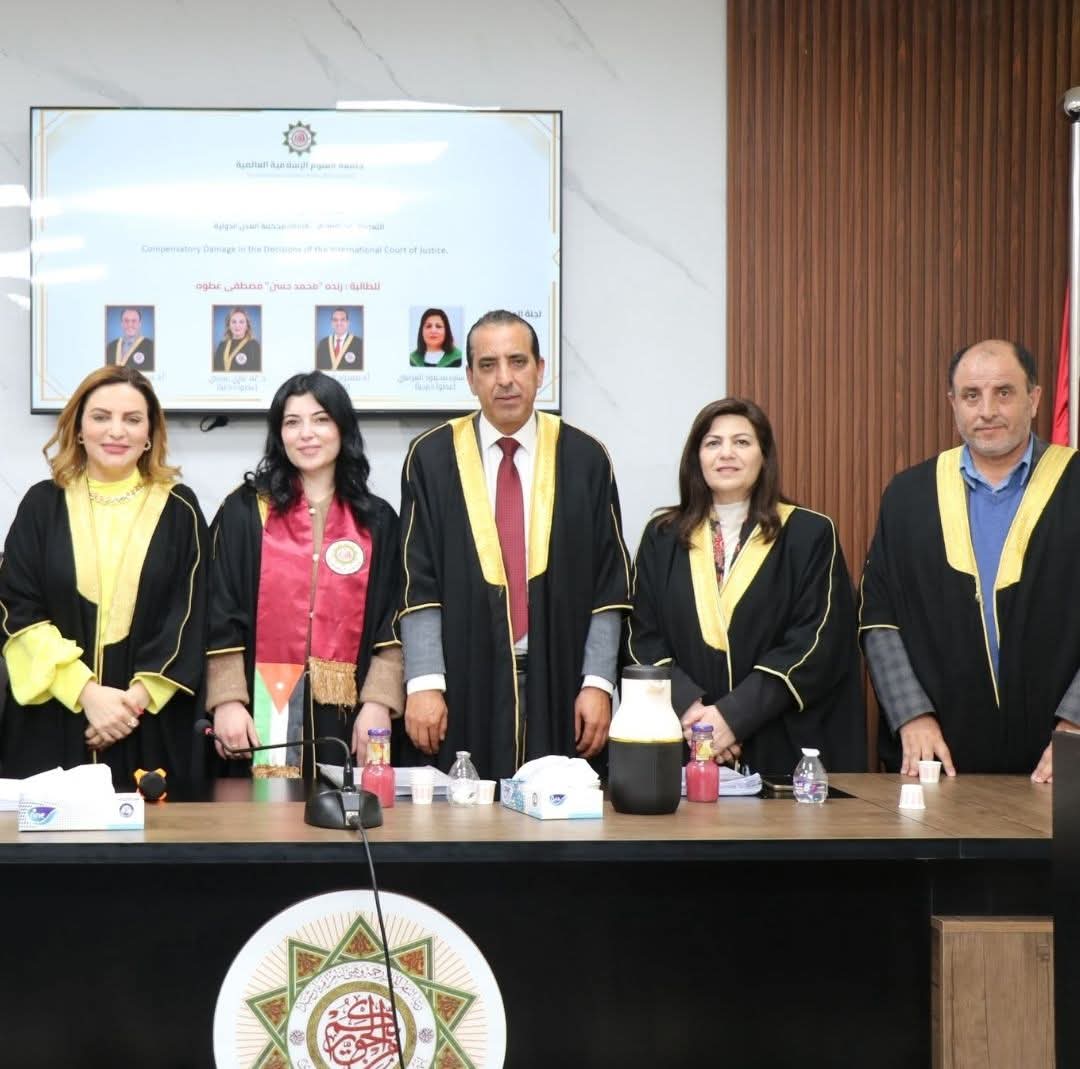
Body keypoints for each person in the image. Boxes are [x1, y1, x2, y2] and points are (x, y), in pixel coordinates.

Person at [398, 309, 632, 781]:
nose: (504, 378)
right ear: (469, 377)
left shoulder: (585, 457)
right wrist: (423, 682)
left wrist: (598, 683)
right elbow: (416, 580)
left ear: (540, 370)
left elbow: (609, 584)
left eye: (518, 362)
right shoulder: (432, 457)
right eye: (488, 365)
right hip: (462, 681)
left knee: (561, 816)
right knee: (464, 817)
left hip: (562, 680)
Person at [861, 339, 1080, 782]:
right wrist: (911, 715)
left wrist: (1075, 724)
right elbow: (878, 617)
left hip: (1062, 757)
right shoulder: (908, 495)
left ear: (1035, 398)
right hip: (939, 758)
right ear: (953, 404)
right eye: (971, 395)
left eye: (1004, 392)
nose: (987, 410)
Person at [626, 398, 865, 775]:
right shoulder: (663, 537)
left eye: (741, 442)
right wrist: (696, 716)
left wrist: (732, 718)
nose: (726, 453)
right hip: (683, 740)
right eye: (713, 443)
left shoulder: (809, 534)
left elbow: (816, 641)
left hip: (779, 743)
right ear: (697, 459)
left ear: (764, 456)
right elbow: (642, 637)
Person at [0, 366, 207, 790]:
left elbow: (191, 614)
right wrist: (86, 693)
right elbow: (16, 610)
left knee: (157, 833)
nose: (116, 431)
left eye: (132, 419)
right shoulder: (42, 505)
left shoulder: (179, 509)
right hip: (52, 720)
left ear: (150, 433)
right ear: (78, 428)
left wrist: (131, 706)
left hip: (149, 726)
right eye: (101, 417)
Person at [206, 371, 403, 778]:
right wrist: (226, 700)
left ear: (343, 428)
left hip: (350, 712)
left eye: (321, 419)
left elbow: (395, 616)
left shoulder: (377, 520)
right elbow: (217, 608)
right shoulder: (244, 512)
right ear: (279, 436)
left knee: (345, 809)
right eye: (292, 422)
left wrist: (379, 702)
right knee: (261, 814)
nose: (306, 434)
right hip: (257, 711)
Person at [213, 307, 262, 372]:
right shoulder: (222, 345)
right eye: (234, 322)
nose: (237, 325)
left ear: (247, 326)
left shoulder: (254, 345)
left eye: (241, 322)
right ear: (229, 325)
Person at [105, 307, 154, 371]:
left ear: (140, 324)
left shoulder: (151, 347)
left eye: (134, 321)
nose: (130, 324)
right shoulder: (111, 346)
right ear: (121, 324)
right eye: (126, 321)